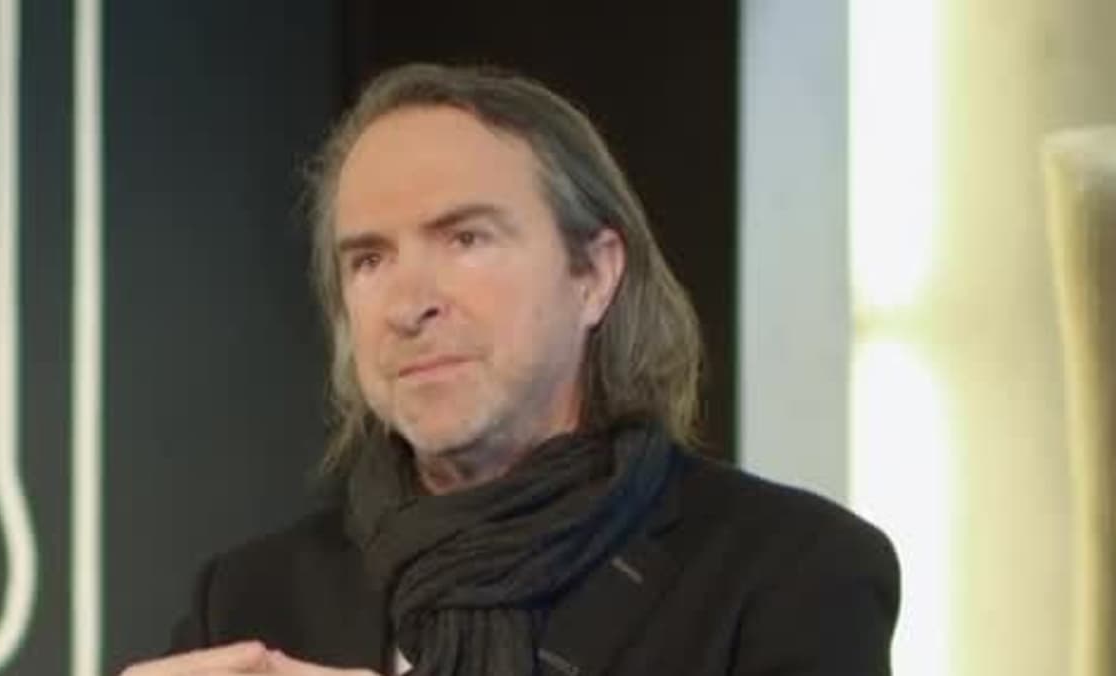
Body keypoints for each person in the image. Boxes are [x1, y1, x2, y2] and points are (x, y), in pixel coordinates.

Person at [121, 63, 899, 676]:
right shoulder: (251, 598)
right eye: (370, 260)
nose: (409, 304)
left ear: (593, 275)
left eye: (466, 239)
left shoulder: (790, 572)